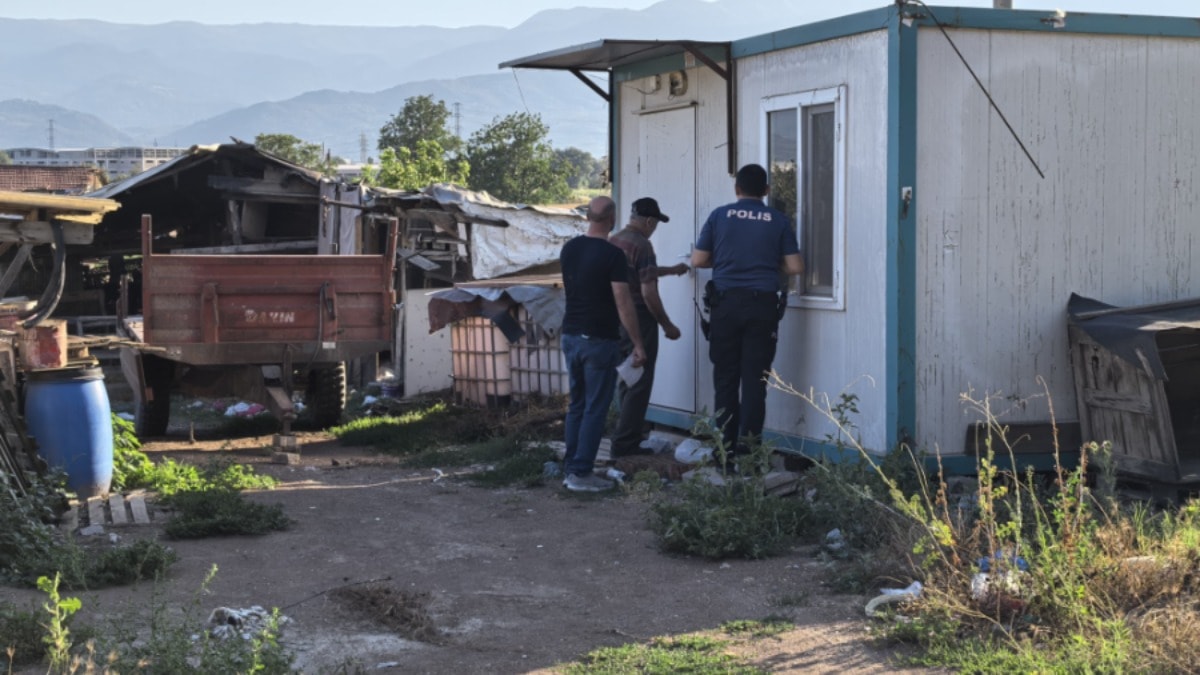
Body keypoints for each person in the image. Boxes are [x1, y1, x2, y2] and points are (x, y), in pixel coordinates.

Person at [690, 163, 803, 461]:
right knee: (755, 381)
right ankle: (750, 452)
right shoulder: (778, 220)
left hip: (726, 306)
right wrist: (768, 263)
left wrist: (725, 261)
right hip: (762, 306)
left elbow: (698, 260)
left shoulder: (719, 216)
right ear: (766, 190)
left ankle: (724, 452)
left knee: (726, 379)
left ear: (737, 189)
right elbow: (795, 267)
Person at [559, 196, 647, 492]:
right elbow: (623, 302)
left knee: (577, 404)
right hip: (598, 340)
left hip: (570, 335)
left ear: (587, 217)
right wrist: (638, 343)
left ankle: (571, 466)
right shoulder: (613, 255)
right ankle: (581, 473)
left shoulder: (569, 248)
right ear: (612, 220)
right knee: (596, 408)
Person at [608, 197, 689, 458]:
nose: (654, 229)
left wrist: (671, 270)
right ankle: (626, 443)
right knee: (640, 381)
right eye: (655, 224)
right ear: (649, 221)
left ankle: (625, 434)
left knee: (627, 376)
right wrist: (667, 325)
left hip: (615, 317)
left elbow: (638, 272)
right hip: (639, 318)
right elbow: (648, 293)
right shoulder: (643, 245)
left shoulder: (616, 240)